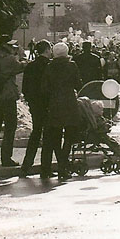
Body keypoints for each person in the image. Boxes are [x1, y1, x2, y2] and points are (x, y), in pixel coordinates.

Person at [41, 41, 82, 180]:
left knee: (55, 136)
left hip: (55, 104)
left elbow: (44, 88)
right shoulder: (72, 65)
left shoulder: (49, 67)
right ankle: (63, 166)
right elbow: (78, 84)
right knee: (69, 136)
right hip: (69, 103)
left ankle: (60, 165)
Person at [0, 35, 26, 167]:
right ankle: (6, 158)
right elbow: (22, 67)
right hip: (7, 96)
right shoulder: (8, 59)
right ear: (4, 45)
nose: (12, 47)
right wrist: (22, 55)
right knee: (10, 127)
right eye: (10, 45)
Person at [20, 40, 52, 177]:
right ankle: (45, 169)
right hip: (47, 104)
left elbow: (25, 88)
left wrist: (31, 101)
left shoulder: (30, 66)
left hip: (35, 104)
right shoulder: (49, 66)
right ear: (47, 50)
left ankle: (26, 165)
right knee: (49, 135)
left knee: (36, 133)